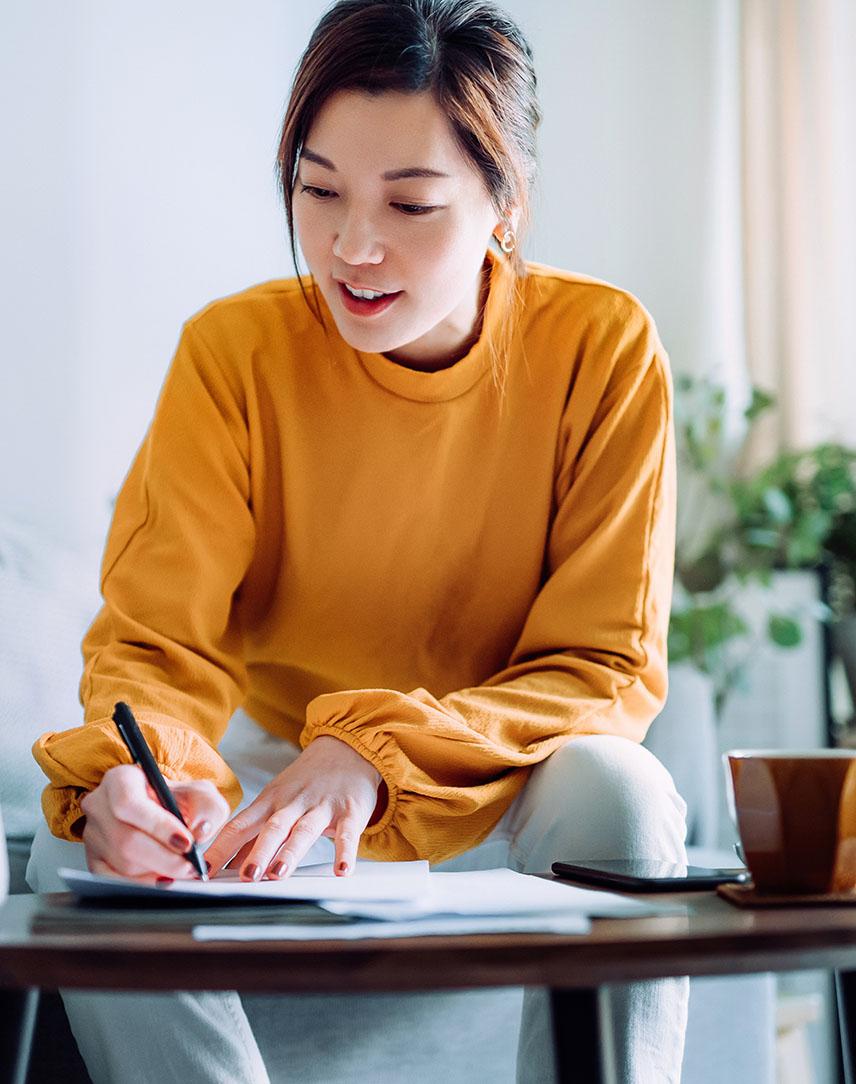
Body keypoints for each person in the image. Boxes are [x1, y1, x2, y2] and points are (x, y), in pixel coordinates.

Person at [27, 0, 689, 1080]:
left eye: (412, 203)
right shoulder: (232, 353)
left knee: (622, 790)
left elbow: (603, 665)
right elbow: (156, 646)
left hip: (493, 764)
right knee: (83, 831)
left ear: (503, 207)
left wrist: (375, 752)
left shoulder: (600, 349)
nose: (352, 247)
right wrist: (154, 780)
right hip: (271, 764)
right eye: (319, 189)